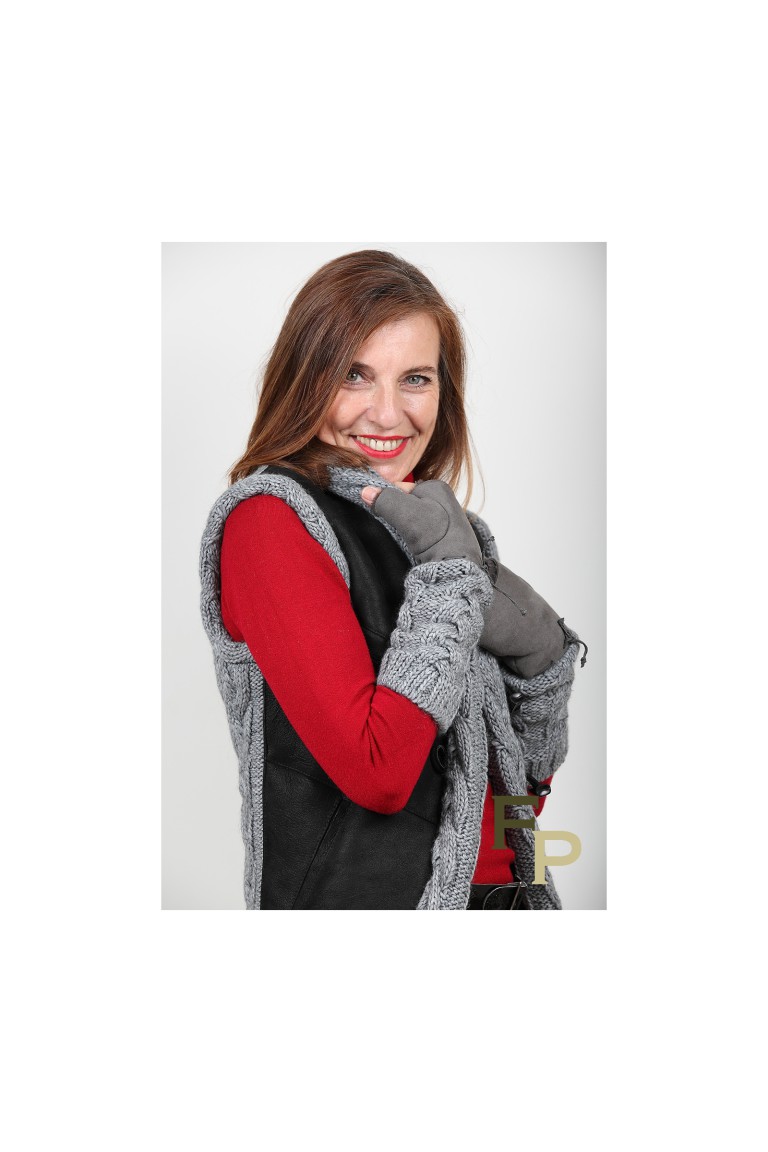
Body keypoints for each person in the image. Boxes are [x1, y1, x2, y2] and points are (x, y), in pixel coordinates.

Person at [199, 249, 585, 910]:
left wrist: (543, 662)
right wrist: (449, 581)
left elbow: (515, 785)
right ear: (305, 378)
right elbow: (379, 773)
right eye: (354, 375)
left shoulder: (436, 528)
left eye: (415, 379)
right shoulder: (271, 520)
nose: (386, 413)